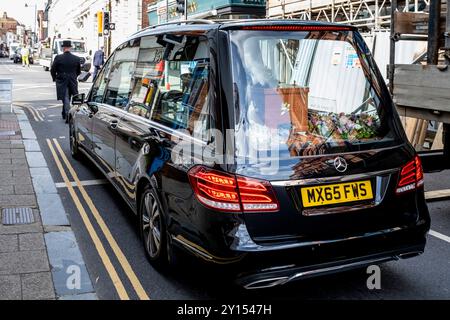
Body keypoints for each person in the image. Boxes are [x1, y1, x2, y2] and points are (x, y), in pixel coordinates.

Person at [51, 40, 81, 123]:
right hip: (72, 80)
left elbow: (53, 70)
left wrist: (55, 78)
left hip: (62, 80)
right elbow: (78, 71)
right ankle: (64, 113)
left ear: (63, 48)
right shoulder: (76, 58)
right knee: (70, 97)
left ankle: (68, 115)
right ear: (70, 48)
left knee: (65, 98)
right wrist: (74, 76)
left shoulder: (58, 57)